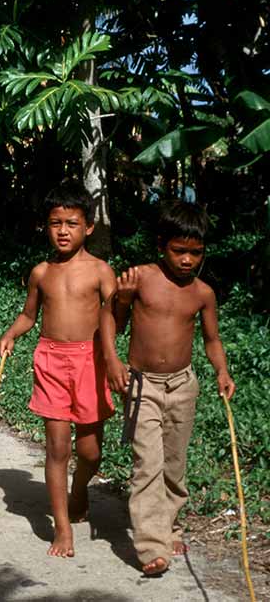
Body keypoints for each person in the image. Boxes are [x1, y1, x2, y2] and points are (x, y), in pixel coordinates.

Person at [100, 200, 235, 577]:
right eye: (179, 251)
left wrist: (221, 370)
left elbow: (211, 340)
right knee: (148, 465)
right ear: (161, 245)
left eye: (196, 253)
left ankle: (169, 523)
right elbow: (110, 320)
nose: (188, 260)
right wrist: (112, 360)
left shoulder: (202, 293)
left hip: (183, 386)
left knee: (174, 465)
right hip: (142, 386)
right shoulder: (139, 278)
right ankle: (151, 547)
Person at [0, 181, 117, 558]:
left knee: (91, 452)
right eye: (55, 223)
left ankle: (79, 490)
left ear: (89, 227)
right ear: (45, 226)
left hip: (90, 363)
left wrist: (114, 359)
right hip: (50, 360)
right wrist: (11, 333)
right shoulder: (41, 272)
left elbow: (114, 319)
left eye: (72, 223)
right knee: (57, 449)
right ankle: (62, 529)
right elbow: (29, 315)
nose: (63, 231)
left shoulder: (101, 271)